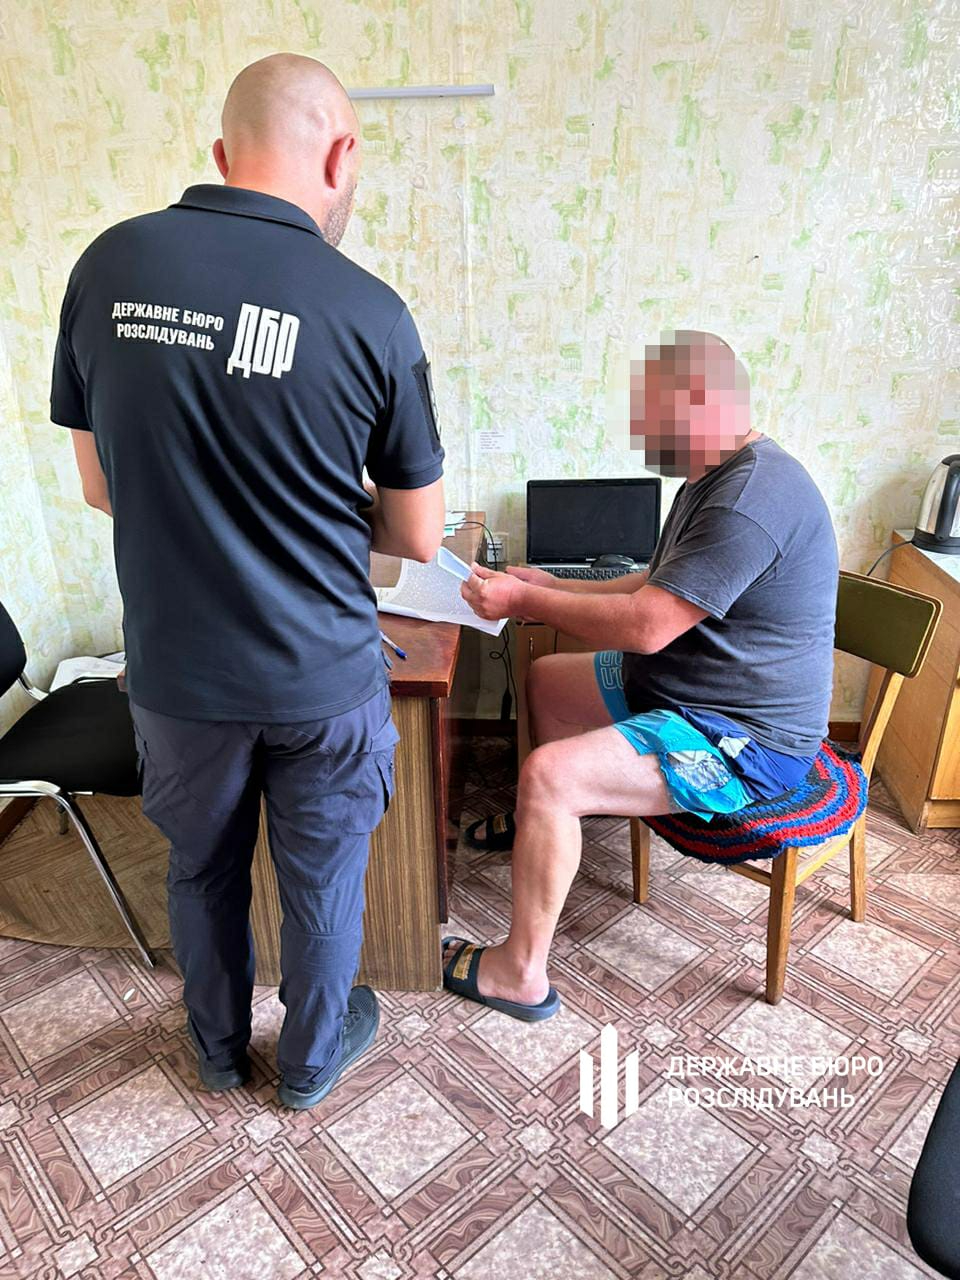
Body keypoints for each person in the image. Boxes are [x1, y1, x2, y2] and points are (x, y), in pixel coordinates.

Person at [52, 54, 445, 1107]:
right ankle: (309, 1064)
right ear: (342, 156)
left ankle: (217, 1051)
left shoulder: (107, 266)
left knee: (200, 869)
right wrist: (315, 503)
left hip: (179, 675)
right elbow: (416, 533)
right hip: (322, 675)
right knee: (323, 885)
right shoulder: (371, 310)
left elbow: (100, 485)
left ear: (223, 153)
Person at [446, 330, 837, 1021]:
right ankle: (553, 822)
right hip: (685, 688)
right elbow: (655, 581)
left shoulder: (750, 498)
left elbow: (649, 625)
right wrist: (551, 583)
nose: (646, 437)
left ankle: (520, 974)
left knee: (549, 775)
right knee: (547, 680)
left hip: (742, 740)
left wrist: (525, 601)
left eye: (656, 419)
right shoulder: (714, 476)